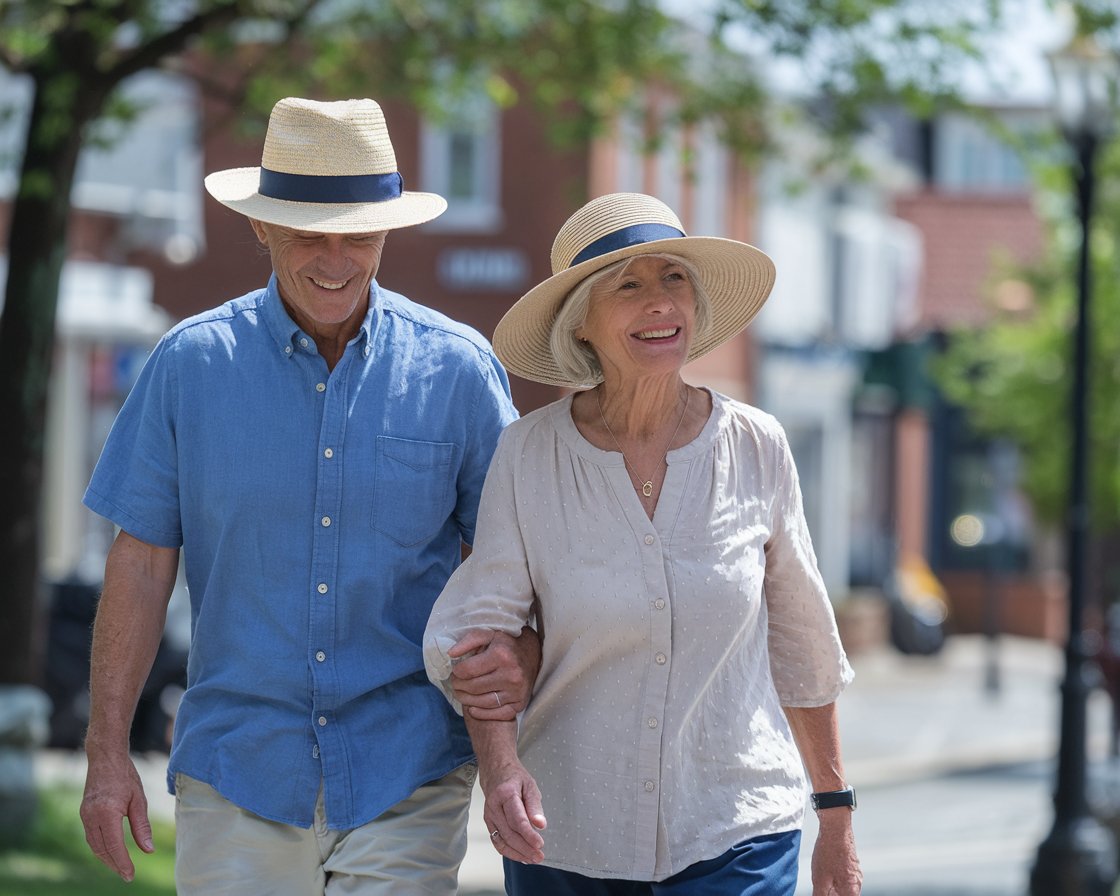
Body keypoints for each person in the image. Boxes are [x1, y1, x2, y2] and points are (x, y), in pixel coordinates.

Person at [79, 96, 540, 895]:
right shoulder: (189, 367)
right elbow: (141, 566)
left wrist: (509, 727)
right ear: (259, 226)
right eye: (307, 232)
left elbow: (509, 569)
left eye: (358, 232)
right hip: (238, 769)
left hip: (407, 768)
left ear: (388, 231)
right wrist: (105, 752)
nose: (336, 257)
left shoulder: (459, 374)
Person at [424, 192, 863, 895]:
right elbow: (483, 641)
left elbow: (802, 644)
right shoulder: (529, 456)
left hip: (736, 826)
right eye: (628, 285)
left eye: (674, 279)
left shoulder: (757, 447)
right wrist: (502, 772)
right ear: (583, 326)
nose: (659, 303)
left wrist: (835, 817)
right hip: (566, 836)